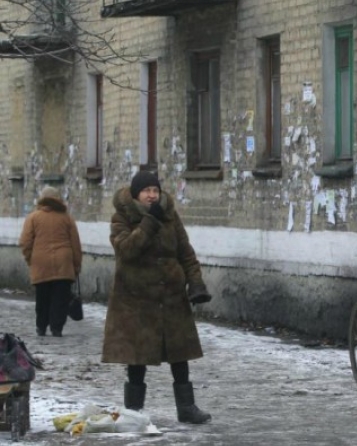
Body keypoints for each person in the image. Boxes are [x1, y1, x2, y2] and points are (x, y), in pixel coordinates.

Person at [102, 171, 213, 424]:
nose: (152, 195)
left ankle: (186, 407)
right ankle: (133, 412)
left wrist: (195, 282)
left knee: (179, 353)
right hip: (135, 301)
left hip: (171, 298)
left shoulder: (170, 216)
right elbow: (126, 250)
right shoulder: (121, 218)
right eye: (146, 191)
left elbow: (185, 252)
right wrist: (149, 222)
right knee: (137, 357)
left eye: (155, 190)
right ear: (135, 193)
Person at [19, 186, 82, 337]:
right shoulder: (67, 218)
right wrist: (76, 265)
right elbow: (75, 244)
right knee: (60, 298)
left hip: (40, 263)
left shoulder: (33, 217)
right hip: (63, 263)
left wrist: (31, 259)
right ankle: (57, 328)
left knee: (42, 298)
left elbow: (25, 242)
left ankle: (41, 326)